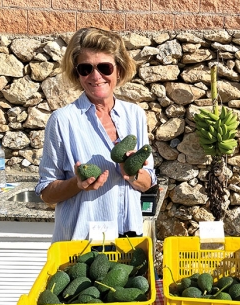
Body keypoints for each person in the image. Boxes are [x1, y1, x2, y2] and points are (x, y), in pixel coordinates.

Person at [35, 27, 157, 242]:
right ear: (77, 73)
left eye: (104, 67)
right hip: (80, 247)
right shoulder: (63, 120)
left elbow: (147, 183)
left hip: (128, 241)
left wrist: (133, 174)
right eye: (85, 68)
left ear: (118, 70)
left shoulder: (135, 115)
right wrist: (76, 184)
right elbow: (46, 192)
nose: (96, 76)